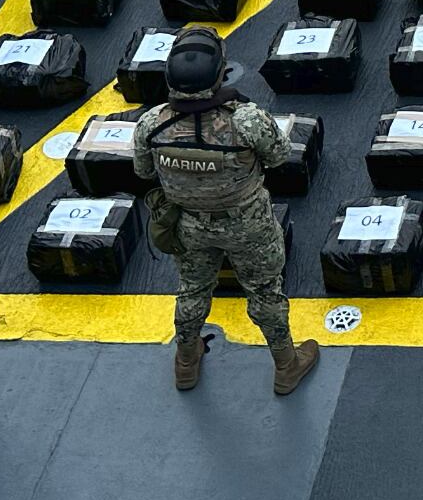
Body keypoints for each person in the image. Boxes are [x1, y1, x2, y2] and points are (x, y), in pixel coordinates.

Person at [134, 26, 317, 396]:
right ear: (220, 74)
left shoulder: (151, 125)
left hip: (188, 225)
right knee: (265, 292)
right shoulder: (246, 119)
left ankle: (185, 362)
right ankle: (286, 365)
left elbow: (143, 172)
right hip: (249, 224)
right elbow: (280, 156)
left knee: (192, 291)